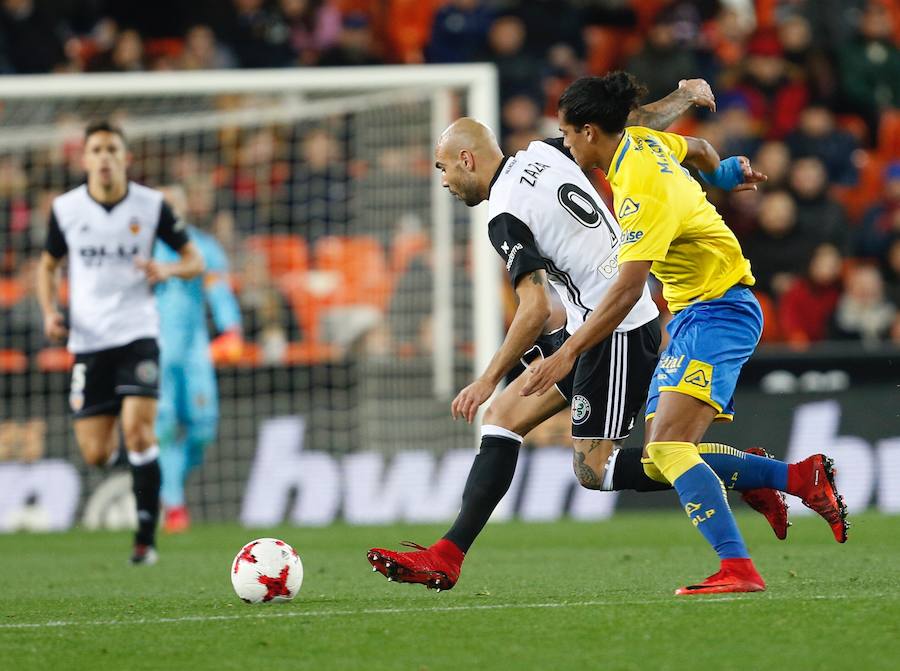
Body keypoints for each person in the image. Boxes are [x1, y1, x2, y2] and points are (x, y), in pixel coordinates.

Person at [367, 80, 790, 592]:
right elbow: (628, 127)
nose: (444, 181)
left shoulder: (504, 215)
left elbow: (533, 309)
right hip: (595, 319)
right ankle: (447, 555)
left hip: (616, 327)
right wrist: (682, 99)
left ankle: (749, 473)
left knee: (595, 471)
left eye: (444, 168)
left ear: (468, 160)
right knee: (503, 420)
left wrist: (487, 377)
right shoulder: (546, 152)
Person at [522, 72, 848, 595]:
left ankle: (738, 568)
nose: (563, 143)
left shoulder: (638, 194)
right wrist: (721, 173)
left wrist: (567, 355)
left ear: (587, 132)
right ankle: (795, 478)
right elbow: (694, 147)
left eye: (565, 132)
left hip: (720, 310)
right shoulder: (641, 144)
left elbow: (629, 291)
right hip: (702, 311)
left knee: (671, 451)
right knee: (660, 456)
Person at [36, 121, 204, 564]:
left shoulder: (152, 206)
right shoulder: (67, 209)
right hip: (89, 341)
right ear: (85, 158)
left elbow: (194, 259)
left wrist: (166, 270)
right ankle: (141, 476)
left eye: (113, 148)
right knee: (96, 453)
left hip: (138, 334)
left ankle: (145, 538)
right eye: (97, 149)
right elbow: (48, 266)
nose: (105, 156)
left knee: (139, 430)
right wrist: (50, 312)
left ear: (126, 158)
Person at [154, 185, 242, 534]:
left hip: (194, 350)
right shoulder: (142, 249)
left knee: (203, 428)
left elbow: (218, 292)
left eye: (177, 201)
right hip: (155, 351)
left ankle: (167, 480)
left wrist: (231, 329)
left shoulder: (204, 247)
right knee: (164, 429)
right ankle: (174, 505)